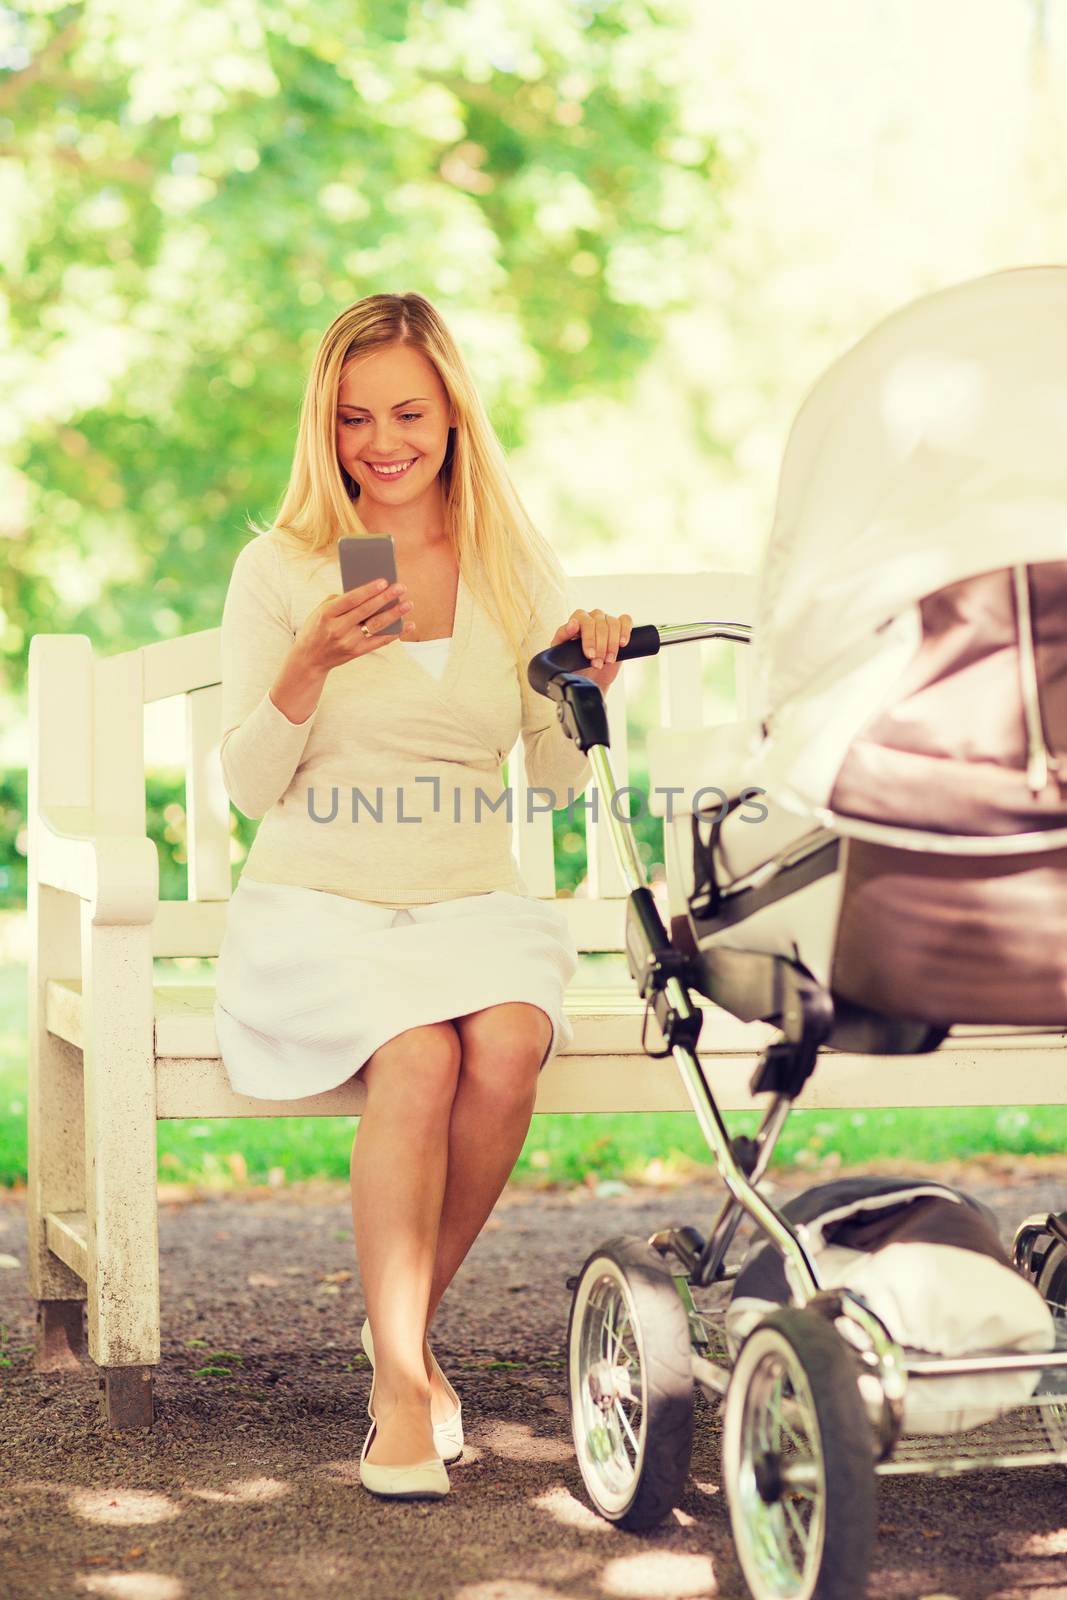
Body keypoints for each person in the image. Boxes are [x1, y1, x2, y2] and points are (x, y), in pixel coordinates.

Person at [212, 290, 632, 1500]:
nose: (380, 441)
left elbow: (552, 780)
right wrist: (309, 664)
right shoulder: (283, 566)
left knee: (503, 1037)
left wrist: (586, 685)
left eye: (406, 411)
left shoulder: (508, 565)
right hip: (318, 901)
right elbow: (248, 789)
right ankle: (403, 1380)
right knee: (417, 1050)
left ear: (453, 414)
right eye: (353, 417)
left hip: (465, 898)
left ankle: (398, 1328)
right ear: (324, 426)